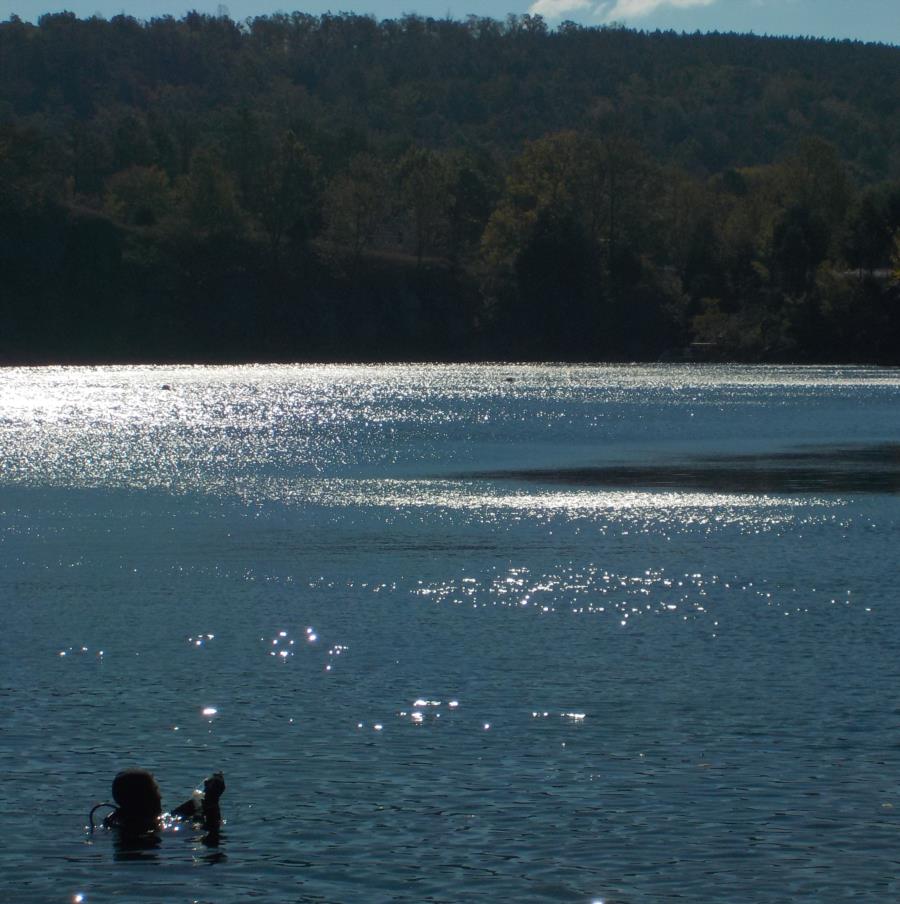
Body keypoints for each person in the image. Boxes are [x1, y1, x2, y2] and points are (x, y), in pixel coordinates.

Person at [92, 768, 225, 835]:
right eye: (155, 791)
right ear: (143, 799)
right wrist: (213, 805)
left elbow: (172, 817)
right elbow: (212, 833)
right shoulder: (146, 829)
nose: (160, 797)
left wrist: (199, 802)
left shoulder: (121, 821)